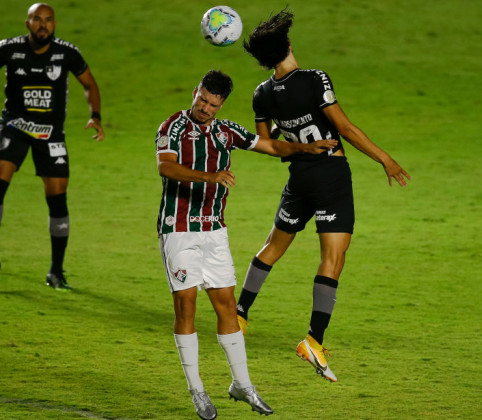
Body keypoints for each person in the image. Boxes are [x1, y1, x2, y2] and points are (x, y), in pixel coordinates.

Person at [237, 9, 410, 382]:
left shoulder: (262, 94)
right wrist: (385, 159)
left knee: (273, 245)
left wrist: (298, 146)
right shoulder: (315, 79)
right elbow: (344, 127)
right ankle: (313, 341)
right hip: (331, 175)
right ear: (288, 46)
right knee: (334, 257)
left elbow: (266, 144)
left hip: (298, 177)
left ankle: (240, 312)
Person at [157, 69, 338, 419]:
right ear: (195, 92)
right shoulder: (172, 128)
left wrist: (304, 148)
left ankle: (243, 385)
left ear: (222, 104)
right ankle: (197, 390)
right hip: (178, 229)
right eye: (203, 100)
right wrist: (211, 177)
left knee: (228, 306)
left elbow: (268, 144)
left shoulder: (226, 131)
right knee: (187, 307)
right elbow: (167, 168)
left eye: (214, 104)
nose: (206, 108)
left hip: (214, 230)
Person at [0, 3, 105, 289]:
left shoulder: (67, 53)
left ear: (55, 24)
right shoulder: (9, 49)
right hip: (14, 127)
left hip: (50, 134)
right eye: (37, 20)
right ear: (27, 23)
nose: (43, 25)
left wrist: (95, 116)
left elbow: (89, 84)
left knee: (57, 200)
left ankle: (56, 271)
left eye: (49, 20)